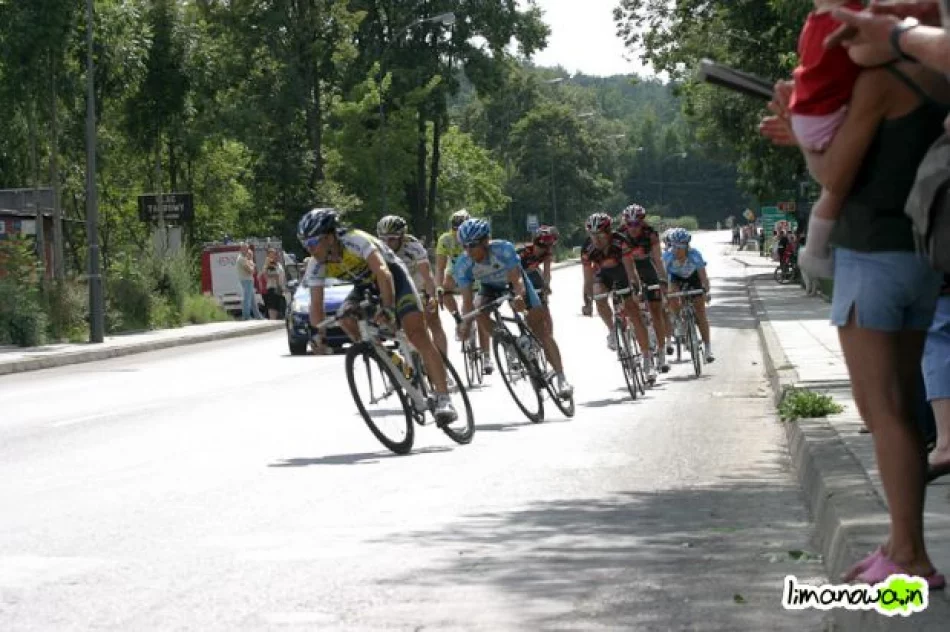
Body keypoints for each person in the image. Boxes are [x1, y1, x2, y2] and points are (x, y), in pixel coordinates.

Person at [760, 8, 950, 586]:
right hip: (920, 252)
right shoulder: (935, 75)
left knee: (881, 410)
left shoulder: (878, 82)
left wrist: (799, 132)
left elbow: (833, 176)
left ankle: (911, 555)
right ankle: (900, 541)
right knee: (905, 401)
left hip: (870, 253)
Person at [298, 207, 457, 423]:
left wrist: (389, 309)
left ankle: (443, 397)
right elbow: (316, 308)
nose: (309, 250)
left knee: (417, 335)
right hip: (364, 286)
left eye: (312, 243)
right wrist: (317, 334)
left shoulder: (356, 241)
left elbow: (383, 273)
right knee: (345, 317)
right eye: (305, 245)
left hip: (394, 278)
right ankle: (380, 353)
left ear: (329, 237)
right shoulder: (316, 265)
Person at [445, 218, 574, 398]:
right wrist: (464, 323)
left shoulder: (503, 248)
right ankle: (508, 343)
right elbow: (467, 301)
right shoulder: (463, 264)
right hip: (490, 288)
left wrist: (520, 296)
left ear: (485, 241)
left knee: (541, 330)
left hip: (514, 283)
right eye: (464, 246)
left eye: (472, 245)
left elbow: (517, 279)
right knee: (478, 310)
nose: (468, 250)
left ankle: (561, 378)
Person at [791, 1, 865, 280]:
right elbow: (868, 53)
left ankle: (817, 249)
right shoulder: (850, 17)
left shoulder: (814, 22)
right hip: (823, 115)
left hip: (807, 111)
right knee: (837, 187)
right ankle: (815, 251)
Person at [580, 212, 657, 382]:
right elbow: (587, 279)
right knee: (598, 294)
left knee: (633, 313)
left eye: (599, 235)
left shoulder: (620, 241)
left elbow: (631, 269)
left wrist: (634, 286)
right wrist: (587, 300)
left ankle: (647, 360)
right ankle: (612, 331)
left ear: (608, 233)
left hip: (623, 272)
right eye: (592, 236)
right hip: (603, 275)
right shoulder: (587, 249)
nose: (596, 240)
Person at [376, 215, 449, 357]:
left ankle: (443, 365)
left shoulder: (413, 246)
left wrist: (431, 297)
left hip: (417, 282)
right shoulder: (376, 248)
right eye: (383, 239)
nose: (387, 243)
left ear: (402, 237)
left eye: (392, 239)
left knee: (433, 321)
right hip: (396, 285)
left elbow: (427, 276)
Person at [620, 204, 670, 373]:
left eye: (636, 224)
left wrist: (663, 280)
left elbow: (657, 259)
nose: (632, 228)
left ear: (642, 223)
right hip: (627, 268)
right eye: (629, 224)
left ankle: (661, 352)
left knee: (656, 311)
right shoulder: (620, 234)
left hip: (646, 267)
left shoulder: (650, 233)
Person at [662, 228, 715, 363]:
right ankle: (678, 320)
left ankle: (708, 348)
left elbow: (703, 276)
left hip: (693, 278)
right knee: (671, 295)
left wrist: (706, 290)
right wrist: (665, 295)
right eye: (674, 246)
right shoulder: (668, 256)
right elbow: (663, 278)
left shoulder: (694, 255)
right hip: (676, 279)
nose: (677, 250)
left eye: (680, 247)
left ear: (686, 246)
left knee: (701, 313)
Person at [517, 225, 558, 332]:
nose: (543, 251)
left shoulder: (547, 253)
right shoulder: (522, 251)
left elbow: (547, 273)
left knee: (545, 309)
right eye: (540, 248)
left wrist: (546, 285)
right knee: (528, 307)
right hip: (518, 275)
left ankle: (549, 337)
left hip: (533, 273)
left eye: (547, 248)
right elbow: (514, 273)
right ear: (535, 243)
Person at [236, 244, 263, 320]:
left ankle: (258, 316)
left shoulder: (244, 258)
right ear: (241, 249)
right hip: (246, 280)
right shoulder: (241, 258)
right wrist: (252, 266)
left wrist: (251, 266)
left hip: (248, 280)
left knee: (253, 300)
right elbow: (250, 270)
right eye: (244, 248)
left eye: (247, 249)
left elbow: (252, 270)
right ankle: (246, 317)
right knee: (247, 299)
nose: (246, 250)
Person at [262, 248, 287, 319]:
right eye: (272, 254)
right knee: (273, 306)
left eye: (275, 254)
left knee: (279, 306)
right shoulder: (270, 264)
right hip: (273, 287)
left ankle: (276, 320)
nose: (275, 256)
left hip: (279, 287)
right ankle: (273, 320)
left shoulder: (278, 264)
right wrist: (279, 285)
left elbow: (281, 275)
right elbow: (272, 274)